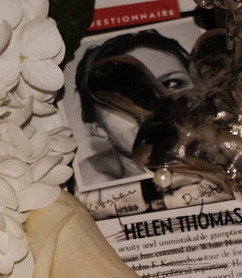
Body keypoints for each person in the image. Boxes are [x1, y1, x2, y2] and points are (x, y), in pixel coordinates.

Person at [73, 30, 194, 188]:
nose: (157, 102)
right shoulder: (86, 186)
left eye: (171, 83)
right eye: (125, 96)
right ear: (98, 127)